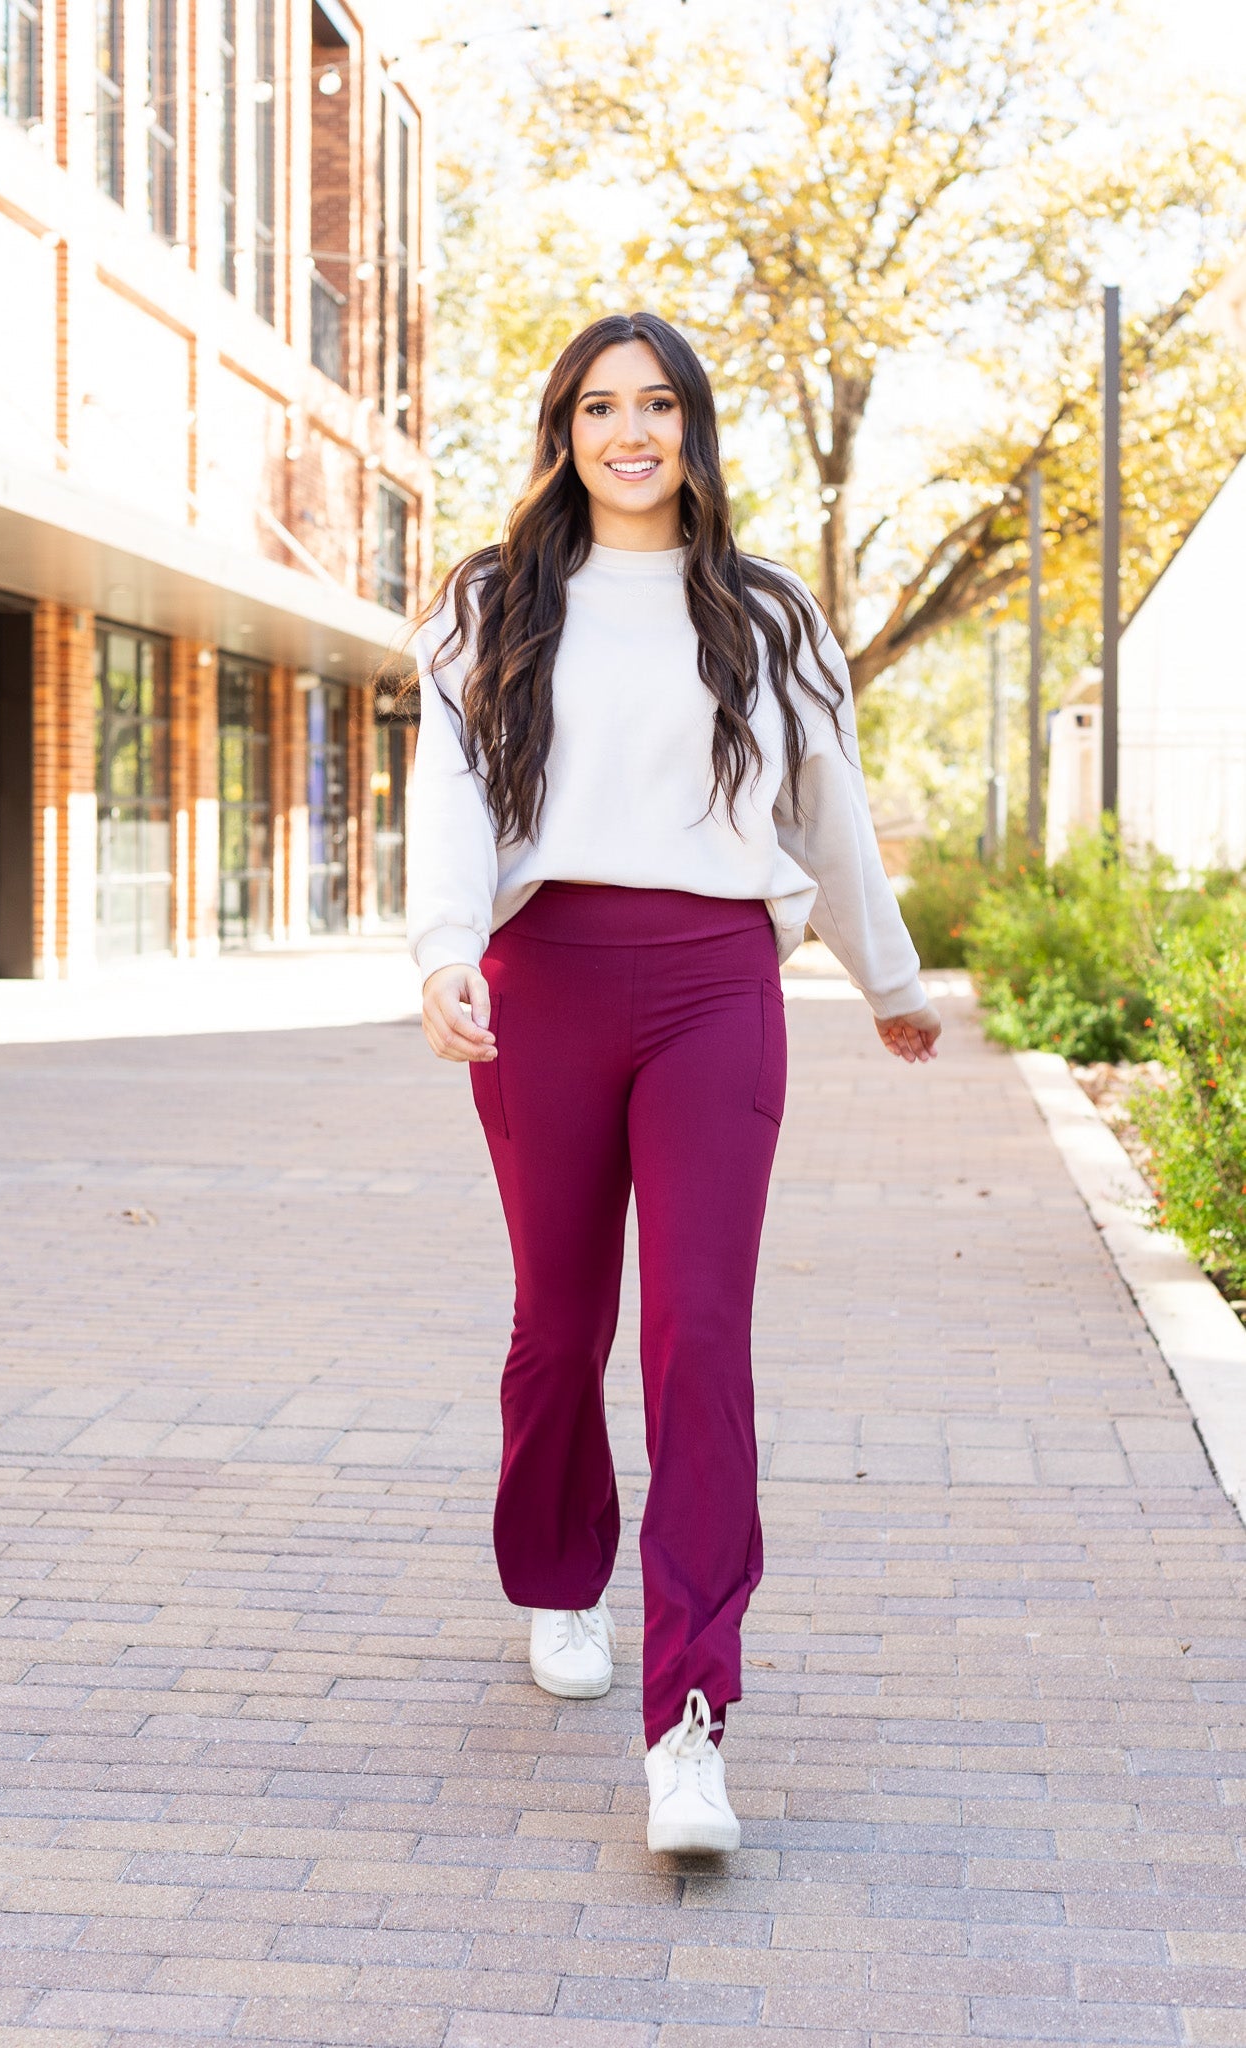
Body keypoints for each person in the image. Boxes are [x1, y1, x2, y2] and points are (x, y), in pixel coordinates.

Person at [403, 311, 941, 1857]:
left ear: (695, 431)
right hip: (542, 984)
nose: (627, 432)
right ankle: (562, 1575)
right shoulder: (490, 606)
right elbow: (447, 796)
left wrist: (887, 981)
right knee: (558, 1320)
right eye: (596, 407)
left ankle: (689, 1719)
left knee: (701, 1336)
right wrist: (444, 948)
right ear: (562, 432)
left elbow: (825, 815)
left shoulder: (767, 615)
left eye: (656, 406)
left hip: (717, 988)